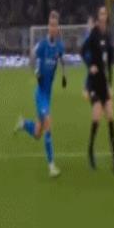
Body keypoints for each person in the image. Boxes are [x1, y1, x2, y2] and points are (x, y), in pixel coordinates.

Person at [14, 11, 67, 178]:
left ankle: (23, 124)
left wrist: (64, 75)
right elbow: (31, 57)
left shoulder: (59, 46)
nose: (52, 28)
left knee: (38, 133)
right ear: (48, 27)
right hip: (40, 94)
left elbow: (62, 58)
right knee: (48, 125)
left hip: (48, 95)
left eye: (55, 25)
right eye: (50, 25)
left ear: (58, 28)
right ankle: (51, 166)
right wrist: (36, 71)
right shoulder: (42, 45)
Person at [81, 6, 114, 173]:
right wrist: (90, 66)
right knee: (97, 117)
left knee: (110, 117)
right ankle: (90, 151)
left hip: (104, 83)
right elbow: (82, 51)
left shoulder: (108, 35)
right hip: (94, 83)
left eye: (105, 13)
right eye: (101, 13)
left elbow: (109, 64)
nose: (103, 16)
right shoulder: (94, 34)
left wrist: (110, 84)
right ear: (98, 17)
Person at [82, 16, 95, 101]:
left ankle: (89, 90)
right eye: (88, 23)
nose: (89, 25)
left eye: (90, 23)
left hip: (92, 56)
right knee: (92, 72)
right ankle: (87, 90)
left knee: (92, 73)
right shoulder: (88, 34)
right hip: (88, 57)